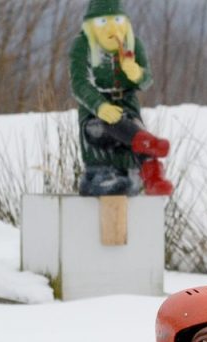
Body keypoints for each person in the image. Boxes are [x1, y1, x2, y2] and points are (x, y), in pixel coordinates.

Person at [69, 0, 174, 197]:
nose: (112, 27)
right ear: (91, 25)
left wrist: (135, 73)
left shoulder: (134, 44)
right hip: (95, 110)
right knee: (104, 129)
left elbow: (146, 80)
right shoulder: (82, 45)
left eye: (117, 19)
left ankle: (153, 176)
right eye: (102, 22)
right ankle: (144, 143)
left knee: (130, 124)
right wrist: (99, 106)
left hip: (127, 104)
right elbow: (79, 84)